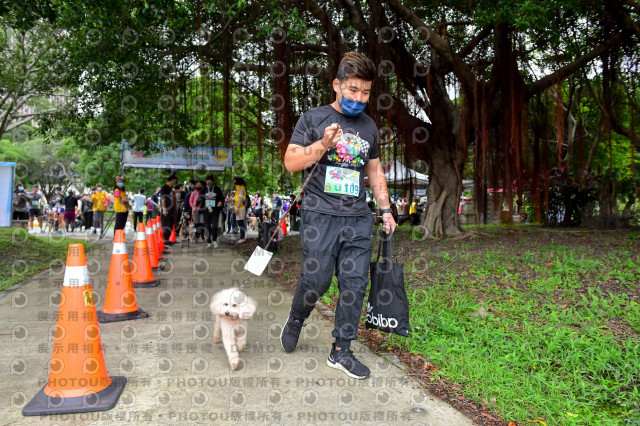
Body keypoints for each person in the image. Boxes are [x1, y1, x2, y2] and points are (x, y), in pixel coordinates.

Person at [280, 52, 397, 379]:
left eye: (365, 93)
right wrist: (322, 144)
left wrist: (385, 209)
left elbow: (374, 171)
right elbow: (291, 162)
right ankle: (297, 317)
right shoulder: (314, 118)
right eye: (353, 90)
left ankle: (341, 349)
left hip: (357, 218)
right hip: (319, 215)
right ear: (337, 85)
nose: (359, 98)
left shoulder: (369, 126)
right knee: (317, 280)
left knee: (355, 284)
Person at [203, 174, 224, 249]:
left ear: (213, 181)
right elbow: (199, 198)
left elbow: (222, 198)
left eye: (210, 182)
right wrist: (196, 206)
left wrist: (220, 202)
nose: (209, 184)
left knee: (214, 226)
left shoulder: (217, 189)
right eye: (208, 183)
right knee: (207, 226)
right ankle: (209, 241)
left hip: (215, 210)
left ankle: (214, 240)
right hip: (206, 210)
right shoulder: (204, 189)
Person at [160, 174, 178, 244]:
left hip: (171, 210)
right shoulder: (164, 188)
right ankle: (165, 240)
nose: (175, 182)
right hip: (166, 209)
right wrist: (164, 209)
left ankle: (167, 240)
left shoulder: (170, 188)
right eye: (174, 180)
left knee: (170, 224)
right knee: (166, 225)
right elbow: (163, 198)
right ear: (172, 180)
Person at [233, 177, 248, 243]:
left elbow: (241, 199)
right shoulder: (238, 188)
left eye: (235, 180)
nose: (234, 181)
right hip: (239, 208)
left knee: (241, 223)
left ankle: (242, 238)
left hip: (240, 208)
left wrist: (238, 208)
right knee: (240, 223)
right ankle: (241, 237)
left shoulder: (241, 188)